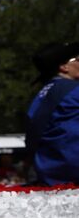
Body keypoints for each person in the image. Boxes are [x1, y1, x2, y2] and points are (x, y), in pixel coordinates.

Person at [26, 41, 79, 185]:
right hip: (73, 174)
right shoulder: (74, 90)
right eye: (78, 58)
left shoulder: (41, 95)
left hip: (49, 175)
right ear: (64, 67)